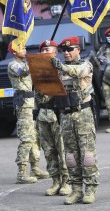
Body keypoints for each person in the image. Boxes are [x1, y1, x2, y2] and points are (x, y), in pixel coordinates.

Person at [50, 37, 99, 204]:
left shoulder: (86, 64)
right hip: (65, 116)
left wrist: (59, 66)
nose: (67, 53)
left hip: (82, 114)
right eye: (64, 50)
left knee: (87, 156)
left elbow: (78, 73)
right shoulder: (59, 70)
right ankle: (76, 190)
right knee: (71, 156)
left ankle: (90, 190)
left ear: (78, 49)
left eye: (70, 50)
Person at [8, 42, 48, 184]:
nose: (24, 49)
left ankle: (35, 167)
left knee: (34, 137)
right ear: (13, 51)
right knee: (26, 138)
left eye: (25, 47)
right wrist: (35, 60)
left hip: (32, 103)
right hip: (24, 105)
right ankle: (22, 173)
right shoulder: (13, 65)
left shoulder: (24, 63)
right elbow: (23, 72)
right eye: (21, 48)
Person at [36, 40, 70, 196]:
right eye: (42, 50)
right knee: (48, 151)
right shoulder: (36, 71)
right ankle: (55, 181)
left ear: (55, 53)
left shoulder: (62, 69)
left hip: (58, 115)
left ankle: (66, 181)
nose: (45, 53)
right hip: (43, 116)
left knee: (62, 149)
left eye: (48, 50)